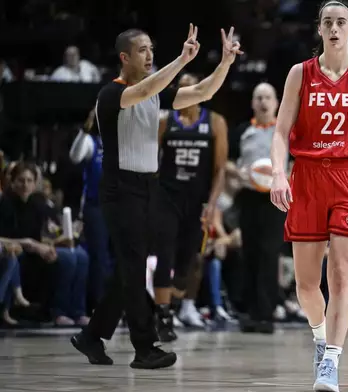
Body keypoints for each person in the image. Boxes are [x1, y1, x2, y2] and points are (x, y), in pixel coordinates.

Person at [70, 24, 242, 369]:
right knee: (133, 270)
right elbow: (148, 86)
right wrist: (181, 60)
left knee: (127, 270)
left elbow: (203, 92)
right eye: (142, 50)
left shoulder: (156, 93)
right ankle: (145, 348)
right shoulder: (111, 94)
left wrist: (224, 63)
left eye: (151, 48)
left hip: (150, 188)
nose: (149, 55)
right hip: (121, 190)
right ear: (125, 57)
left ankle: (92, 336)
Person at [269, 1, 348, 390]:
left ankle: (331, 364)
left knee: (340, 274)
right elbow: (279, 132)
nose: (334, 28)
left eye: (341, 22)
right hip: (306, 177)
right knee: (306, 285)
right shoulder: (299, 74)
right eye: (328, 22)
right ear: (319, 29)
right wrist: (277, 173)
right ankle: (320, 338)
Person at [153, 72, 228, 342]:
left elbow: (220, 171)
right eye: (180, 89)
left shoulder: (215, 122)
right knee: (164, 256)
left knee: (189, 262)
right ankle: (162, 317)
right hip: (167, 198)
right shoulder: (165, 122)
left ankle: (170, 307)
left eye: (190, 88)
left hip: (197, 202)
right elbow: (153, 163)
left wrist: (212, 203)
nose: (185, 94)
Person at [229, 82, 285, 334]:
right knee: (249, 253)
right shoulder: (242, 130)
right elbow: (227, 163)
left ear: (276, 103)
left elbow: (296, 164)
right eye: (258, 97)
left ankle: (266, 314)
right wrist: (240, 173)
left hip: (275, 200)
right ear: (252, 103)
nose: (263, 102)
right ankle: (250, 313)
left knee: (268, 254)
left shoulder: (285, 131)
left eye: (268, 97)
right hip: (249, 198)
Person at [69, 109, 112, 310]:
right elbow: (74, 157)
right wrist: (84, 130)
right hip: (96, 207)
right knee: (99, 257)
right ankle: (98, 305)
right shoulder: (90, 141)